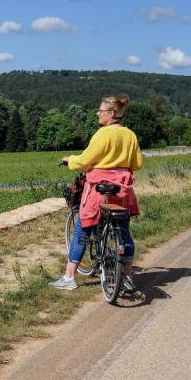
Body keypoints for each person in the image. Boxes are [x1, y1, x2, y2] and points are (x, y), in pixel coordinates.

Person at [52, 95, 143, 291]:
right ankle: (127, 277)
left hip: (99, 188)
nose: (97, 113)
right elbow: (137, 163)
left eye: (101, 111)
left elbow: (85, 161)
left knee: (82, 228)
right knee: (124, 230)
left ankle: (69, 278)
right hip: (122, 188)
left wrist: (70, 160)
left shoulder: (102, 134)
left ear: (111, 114)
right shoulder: (130, 135)